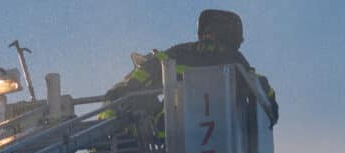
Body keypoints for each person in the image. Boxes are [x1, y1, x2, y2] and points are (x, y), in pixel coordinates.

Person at [105, 9, 278, 123]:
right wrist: (271, 107)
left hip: (176, 127)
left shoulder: (181, 51)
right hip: (217, 132)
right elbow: (257, 82)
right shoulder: (233, 58)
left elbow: (151, 66)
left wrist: (129, 88)